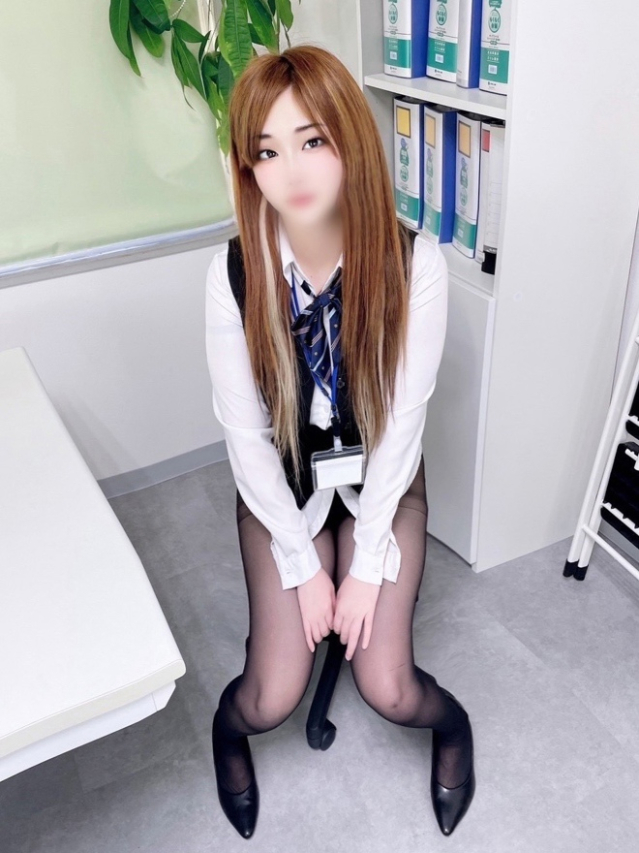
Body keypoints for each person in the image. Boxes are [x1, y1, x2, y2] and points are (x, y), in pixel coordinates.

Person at [204, 44, 475, 840]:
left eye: (312, 140)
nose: (290, 171)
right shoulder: (232, 273)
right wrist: (300, 564)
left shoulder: (415, 263)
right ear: (248, 168)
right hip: (283, 489)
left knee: (390, 687)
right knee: (269, 697)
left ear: (350, 140)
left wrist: (360, 569)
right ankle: (224, 732)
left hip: (381, 485)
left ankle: (453, 725)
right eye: (266, 151)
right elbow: (245, 438)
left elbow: (402, 423)